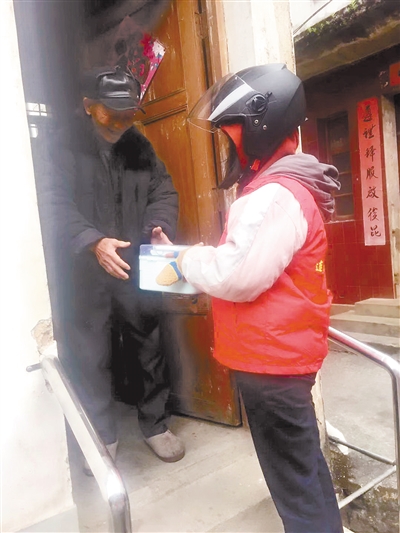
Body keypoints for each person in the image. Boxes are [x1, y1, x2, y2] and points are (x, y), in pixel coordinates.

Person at [158, 64, 343, 532]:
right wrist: (185, 257)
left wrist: (184, 260)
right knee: (302, 469)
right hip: (280, 357)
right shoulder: (284, 187)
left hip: (271, 365)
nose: (228, 147)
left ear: (261, 126)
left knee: (295, 485)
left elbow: (236, 275)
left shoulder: (273, 196)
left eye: (231, 133)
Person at [37, 66, 184, 473]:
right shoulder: (60, 145)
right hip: (85, 267)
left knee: (149, 345)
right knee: (90, 354)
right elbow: (51, 202)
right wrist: (93, 241)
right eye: (110, 114)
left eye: (128, 114)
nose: (120, 123)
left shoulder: (139, 145)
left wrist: (157, 229)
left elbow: (163, 191)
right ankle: (102, 434)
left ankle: (155, 424)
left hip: (134, 262)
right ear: (88, 106)